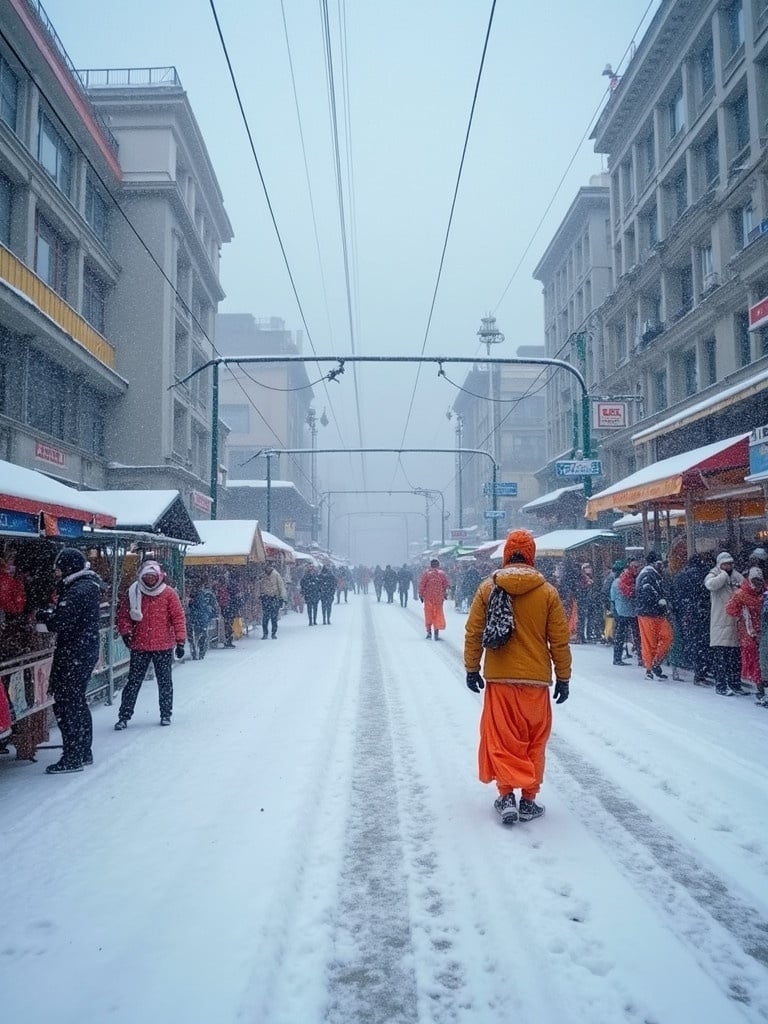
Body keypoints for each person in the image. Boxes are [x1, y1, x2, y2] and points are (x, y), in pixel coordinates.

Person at [464, 529, 571, 825]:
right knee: (533, 740)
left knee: (502, 739)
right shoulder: (547, 592)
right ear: (532, 554)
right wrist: (563, 677)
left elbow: (474, 632)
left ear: (507, 553)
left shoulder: (488, 588)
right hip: (536, 681)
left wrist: (472, 668)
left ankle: (506, 795)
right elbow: (559, 640)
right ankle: (528, 800)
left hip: (500, 679)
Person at [36, 548, 102, 773]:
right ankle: (83, 751)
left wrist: (43, 616)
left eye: (58, 567)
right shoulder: (87, 586)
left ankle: (73, 756)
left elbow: (61, 621)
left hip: (74, 652)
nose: (55, 572)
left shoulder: (78, 590)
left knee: (67, 704)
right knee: (77, 702)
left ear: (68, 567)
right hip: (82, 650)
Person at [115, 560, 186, 728]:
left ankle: (165, 713)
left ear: (159, 576)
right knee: (133, 682)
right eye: (147, 576)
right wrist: (126, 632)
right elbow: (123, 616)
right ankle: (124, 716)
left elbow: (178, 617)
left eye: (153, 576)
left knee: (164, 682)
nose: (150, 580)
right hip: (140, 645)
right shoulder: (133, 592)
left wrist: (181, 641)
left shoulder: (169, 594)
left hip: (163, 646)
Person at [705, 552, 746, 696]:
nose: (728, 566)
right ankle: (721, 685)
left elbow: (745, 588)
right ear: (719, 564)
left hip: (734, 622)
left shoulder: (737, 576)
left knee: (734, 658)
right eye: (725, 564)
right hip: (720, 622)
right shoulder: (713, 575)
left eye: (730, 563)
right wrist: (723, 575)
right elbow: (710, 585)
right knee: (721, 658)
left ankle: (735, 683)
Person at [670, 554, 712, 685]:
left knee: (690, 640)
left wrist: (678, 609)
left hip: (685, 612)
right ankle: (701, 671)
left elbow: (673, 594)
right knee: (703, 642)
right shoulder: (704, 575)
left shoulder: (680, 576)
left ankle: (691, 664)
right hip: (702, 613)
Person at [635, 551, 674, 680]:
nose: (662, 565)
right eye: (660, 563)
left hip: (653, 612)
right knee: (654, 640)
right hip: (649, 613)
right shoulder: (649, 575)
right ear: (654, 563)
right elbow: (647, 592)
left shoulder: (650, 574)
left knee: (657, 639)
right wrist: (660, 601)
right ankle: (650, 667)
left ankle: (653, 664)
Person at [726, 566, 764, 694]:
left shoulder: (763, 592)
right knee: (755, 660)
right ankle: (760, 691)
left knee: (761, 659)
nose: (758, 583)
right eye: (755, 580)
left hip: (762, 631)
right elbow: (730, 609)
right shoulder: (741, 594)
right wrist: (743, 613)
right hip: (748, 632)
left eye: (760, 580)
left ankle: (761, 688)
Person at [609, 557, 640, 667]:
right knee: (636, 635)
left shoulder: (617, 582)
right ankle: (641, 658)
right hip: (628, 612)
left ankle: (617, 657)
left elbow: (612, 599)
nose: (637, 569)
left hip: (623, 612)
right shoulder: (632, 581)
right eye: (635, 567)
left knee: (621, 635)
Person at [186, 578, 218, 660]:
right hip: (202, 619)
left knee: (194, 636)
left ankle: (195, 650)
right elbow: (212, 606)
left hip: (194, 618)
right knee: (202, 635)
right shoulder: (207, 595)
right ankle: (200, 651)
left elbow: (190, 607)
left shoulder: (192, 595)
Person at [418, 558, 450, 640]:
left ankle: (429, 632)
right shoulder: (442, 574)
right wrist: (444, 594)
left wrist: (421, 594)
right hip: (438, 599)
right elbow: (446, 585)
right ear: (438, 565)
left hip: (428, 598)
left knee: (428, 615)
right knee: (437, 615)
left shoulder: (427, 574)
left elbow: (422, 585)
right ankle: (436, 631)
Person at [259, 561, 287, 639]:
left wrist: (283, 597)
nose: (266, 569)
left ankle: (273, 633)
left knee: (274, 618)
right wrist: (260, 595)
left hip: (274, 598)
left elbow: (281, 586)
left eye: (268, 567)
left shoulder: (276, 575)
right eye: (265, 567)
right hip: (266, 598)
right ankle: (265, 633)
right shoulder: (263, 575)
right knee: (265, 617)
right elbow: (260, 586)